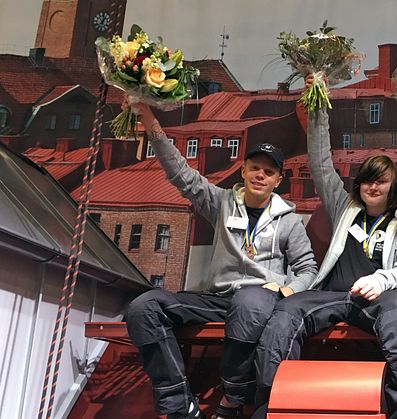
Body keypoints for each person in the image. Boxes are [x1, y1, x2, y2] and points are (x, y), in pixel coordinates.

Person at [252, 76, 397, 419]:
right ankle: (270, 405)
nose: (372, 186)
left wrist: (382, 280)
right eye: (366, 179)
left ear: (393, 186)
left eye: (381, 180)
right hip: (333, 295)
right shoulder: (344, 208)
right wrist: (318, 105)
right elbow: (321, 164)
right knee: (284, 315)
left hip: (381, 298)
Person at [125, 103, 318, 419]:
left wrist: (286, 289)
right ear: (243, 170)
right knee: (143, 308)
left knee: (249, 298)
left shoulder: (290, 220)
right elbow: (181, 174)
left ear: (278, 180)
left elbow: (308, 269)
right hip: (217, 299)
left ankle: (233, 399)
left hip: (262, 300)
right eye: (254, 167)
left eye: (268, 172)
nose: (260, 175)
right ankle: (179, 405)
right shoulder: (221, 203)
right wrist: (150, 122)